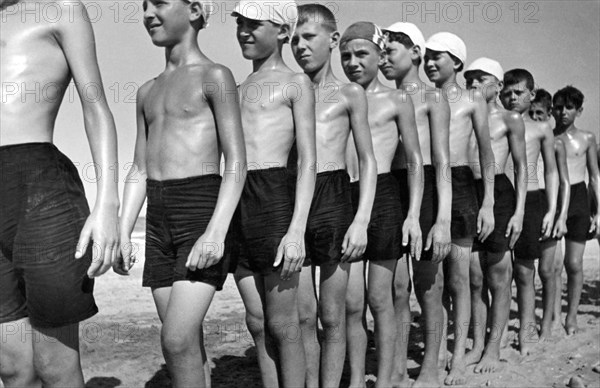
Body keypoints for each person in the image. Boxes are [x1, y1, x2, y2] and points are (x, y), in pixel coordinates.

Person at [116, 1, 246, 386]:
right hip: (157, 220)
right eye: (143, 6)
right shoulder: (146, 91)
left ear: (193, 10)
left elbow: (236, 162)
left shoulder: (215, 76)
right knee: (186, 344)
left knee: (173, 339)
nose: (147, 14)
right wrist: (124, 232)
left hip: (200, 212)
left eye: (158, 3)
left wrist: (217, 230)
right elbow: (139, 168)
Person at [1, 0, 119, 386]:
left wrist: (107, 205)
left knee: (54, 364)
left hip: (41, 190)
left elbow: (95, 104)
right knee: (12, 368)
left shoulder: (60, 9)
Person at [231, 2, 317, 387]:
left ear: (283, 32)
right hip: (237, 202)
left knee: (285, 323)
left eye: (255, 24)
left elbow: (309, 162)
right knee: (257, 322)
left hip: (275, 199)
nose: (245, 31)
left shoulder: (296, 83)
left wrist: (297, 229)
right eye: (241, 23)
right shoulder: (233, 89)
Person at [290, 6, 377, 387]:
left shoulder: (349, 93)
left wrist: (361, 221)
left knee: (333, 314)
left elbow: (369, 161)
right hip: (292, 200)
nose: (300, 46)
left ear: (333, 40)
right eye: (294, 39)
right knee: (302, 316)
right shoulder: (286, 90)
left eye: (308, 37)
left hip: (334, 196)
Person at [341, 21, 424, 388]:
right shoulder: (338, 97)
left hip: (386, 198)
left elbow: (416, 160)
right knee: (351, 301)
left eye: (362, 54)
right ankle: (357, 379)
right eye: (345, 55)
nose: (353, 62)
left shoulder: (396, 99)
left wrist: (413, 215)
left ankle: (389, 378)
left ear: (379, 55)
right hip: (345, 197)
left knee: (380, 296)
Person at [379, 21, 452, 387]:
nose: (383, 59)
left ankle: (430, 368)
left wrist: (441, 221)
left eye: (390, 51)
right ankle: (394, 367)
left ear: (416, 54)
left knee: (428, 285)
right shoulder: (382, 98)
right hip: (392, 189)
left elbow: (441, 163)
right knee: (395, 287)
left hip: (424, 191)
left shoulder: (432, 98)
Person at [424, 32, 495, 386]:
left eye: (438, 57)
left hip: (463, 185)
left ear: (457, 62)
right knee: (432, 280)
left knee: (459, 277)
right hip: (428, 183)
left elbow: (486, 153)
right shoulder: (418, 98)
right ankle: (436, 350)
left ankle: (459, 354)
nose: (430, 63)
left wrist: (489, 203)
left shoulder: (472, 99)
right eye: (426, 56)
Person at [462, 58, 527, 373]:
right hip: (467, 193)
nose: (473, 84)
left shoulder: (509, 119)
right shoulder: (461, 117)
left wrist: (519, 212)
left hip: (499, 194)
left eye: (480, 79)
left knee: (499, 276)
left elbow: (522, 166)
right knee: (474, 277)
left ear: (498, 85)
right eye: (469, 79)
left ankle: (493, 347)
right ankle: (476, 343)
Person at [500, 68, 559, 355]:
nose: (512, 98)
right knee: (497, 271)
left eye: (518, 92)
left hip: (533, 200)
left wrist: (552, 210)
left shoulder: (541, 128)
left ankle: (526, 331)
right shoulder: (494, 124)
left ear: (531, 95)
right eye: (507, 93)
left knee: (525, 271)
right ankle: (495, 333)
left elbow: (551, 171)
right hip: (501, 198)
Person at [552, 86, 600, 335]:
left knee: (574, 263)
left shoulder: (587, 138)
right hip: (552, 199)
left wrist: (599, 212)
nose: (563, 112)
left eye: (569, 107)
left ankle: (571, 316)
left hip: (579, 199)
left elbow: (594, 176)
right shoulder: (547, 137)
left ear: (579, 110)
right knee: (553, 265)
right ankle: (554, 315)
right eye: (558, 107)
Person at [528, 89, 571, 336]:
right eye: (531, 112)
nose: (535, 118)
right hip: (529, 201)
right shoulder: (521, 138)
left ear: (549, 115)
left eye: (540, 113)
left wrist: (560, 214)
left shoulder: (555, 144)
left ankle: (550, 321)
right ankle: (546, 317)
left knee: (549, 268)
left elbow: (564, 182)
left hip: (549, 203)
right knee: (531, 268)